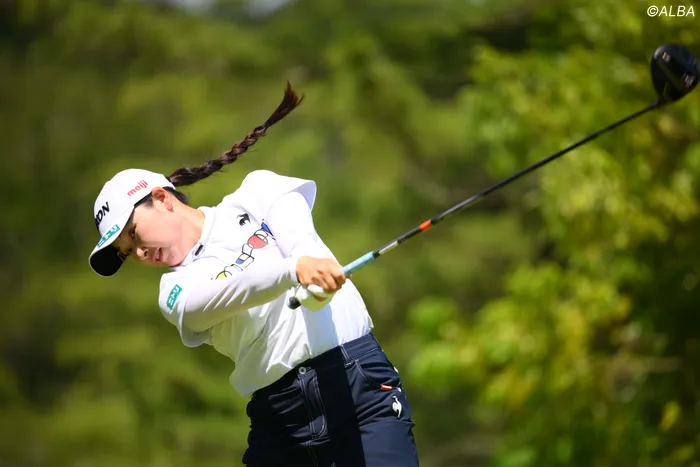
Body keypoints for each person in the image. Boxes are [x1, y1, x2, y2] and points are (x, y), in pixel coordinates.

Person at [87, 84, 420, 467]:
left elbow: (300, 243)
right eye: (128, 253)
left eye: (133, 234)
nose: (140, 252)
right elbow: (224, 295)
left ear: (162, 198)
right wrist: (293, 272)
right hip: (281, 421)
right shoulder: (174, 290)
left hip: (359, 390)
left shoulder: (256, 192)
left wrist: (308, 271)